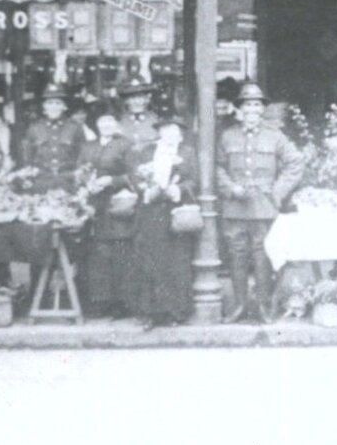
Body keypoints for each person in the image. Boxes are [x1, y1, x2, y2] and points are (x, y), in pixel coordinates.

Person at [215, 81, 304, 322]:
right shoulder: (227, 136)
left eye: (256, 105)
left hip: (264, 207)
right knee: (237, 256)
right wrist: (230, 188)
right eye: (247, 105)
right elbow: (218, 167)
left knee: (263, 257)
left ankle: (264, 305)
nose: (252, 110)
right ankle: (240, 305)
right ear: (239, 109)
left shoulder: (275, 137)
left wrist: (277, 192)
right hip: (235, 207)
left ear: (262, 109)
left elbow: (296, 163)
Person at [123, 116, 197, 326]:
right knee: (150, 260)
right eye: (165, 130)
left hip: (175, 212)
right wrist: (146, 189)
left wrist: (178, 189)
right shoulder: (147, 152)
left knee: (176, 261)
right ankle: (150, 313)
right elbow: (135, 176)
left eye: (174, 131)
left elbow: (194, 180)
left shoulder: (187, 153)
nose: (170, 135)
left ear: (181, 135)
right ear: (160, 133)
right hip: (150, 212)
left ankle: (175, 312)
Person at [79, 113, 140, 318]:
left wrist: (111, 181)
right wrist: (85, 183)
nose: (106, 125)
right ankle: (99, 301)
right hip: (93, 204)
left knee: (119, 252)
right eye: (102, 122)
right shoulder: (88, 146)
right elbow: (80, 170)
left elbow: (134, 174)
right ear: (96, 125)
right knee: (97, 255)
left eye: (110, 122)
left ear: (116, 125)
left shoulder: (126, 144)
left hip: (117, 204)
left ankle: (122, 304)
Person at [18, 80, 90, 192]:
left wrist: (78, 176)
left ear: (64, 107)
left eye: (58, 103)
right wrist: (29, 177)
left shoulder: (75, 128)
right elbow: (27, 159)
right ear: (44, 107)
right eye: (50, 103)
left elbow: (83, 156)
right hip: (41, 182)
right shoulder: (34, 128)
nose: (54, 107)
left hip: (68, 182)